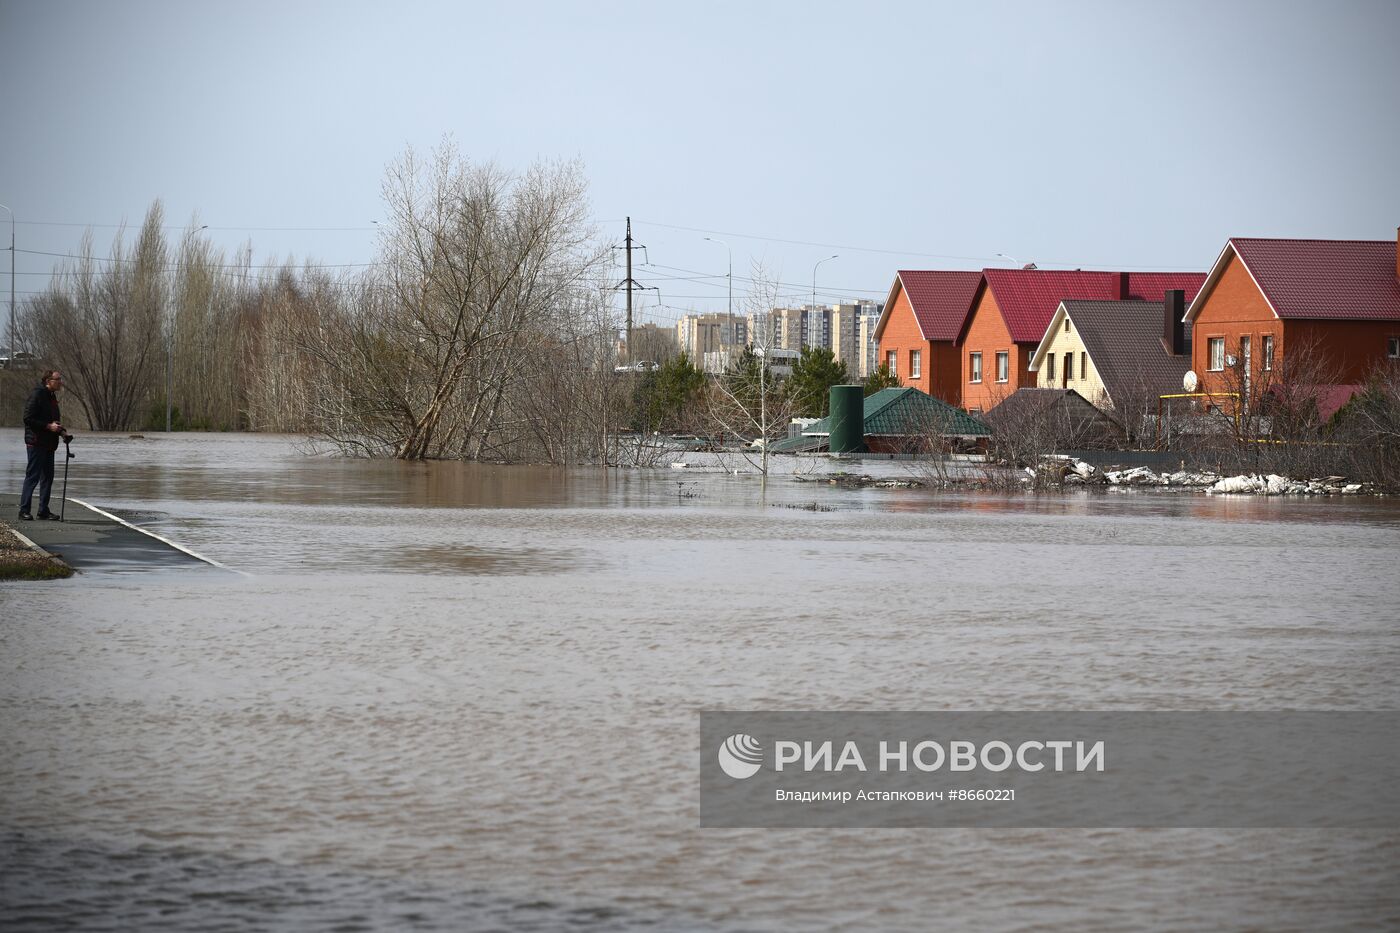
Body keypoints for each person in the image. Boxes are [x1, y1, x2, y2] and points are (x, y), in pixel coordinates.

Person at [19, 369, 66, 521]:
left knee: (47, 478)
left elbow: (52, 420)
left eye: (60, 379)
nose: (60, 382)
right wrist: (48, 426)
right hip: (36, 442)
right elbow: (28, 419)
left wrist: (61, 431)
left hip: (49, 443)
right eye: (57, 379)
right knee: (32, 477)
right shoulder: (37, 394)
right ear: (48, 381)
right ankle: (24, 510)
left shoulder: (51, 396)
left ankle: (43, 510)